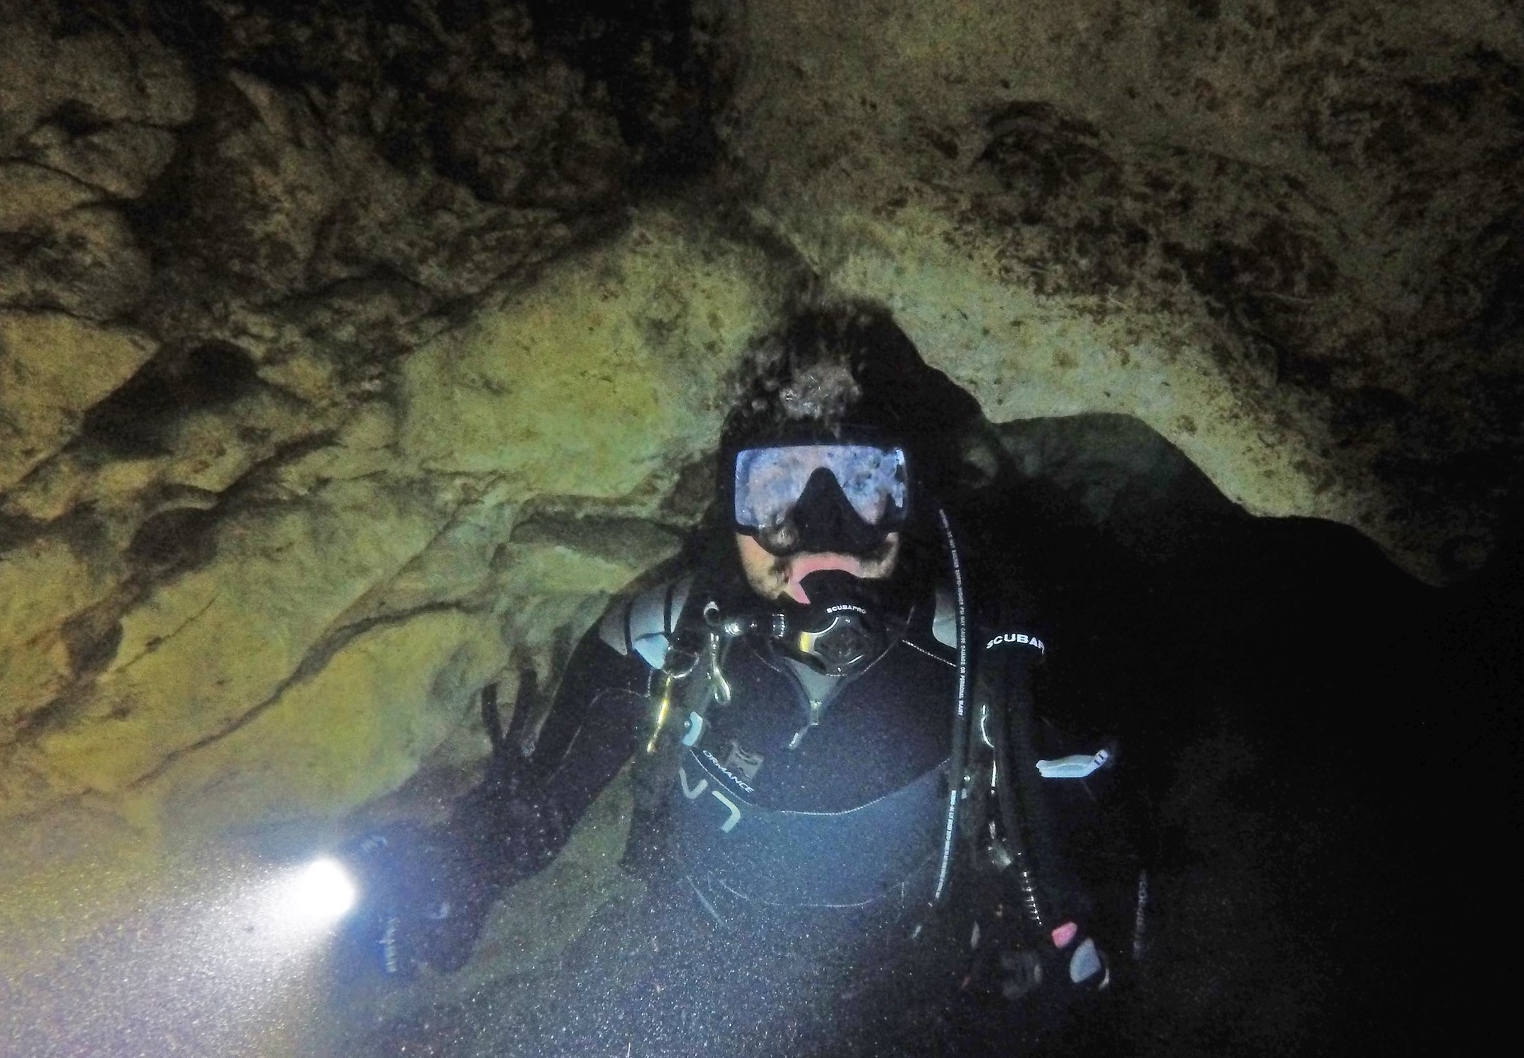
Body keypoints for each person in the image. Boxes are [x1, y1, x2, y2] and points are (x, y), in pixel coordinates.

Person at [347, 301, 1138, 1008]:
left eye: (864, 483)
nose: (824, 529)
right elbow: (543, 811)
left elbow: (1077, 801)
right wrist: (460, 874)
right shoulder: (669, 635)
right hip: (700, 966)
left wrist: (1069, 905)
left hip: (901, 982)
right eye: (779, 491)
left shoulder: (976, 658)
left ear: (911, 504)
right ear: (729, 508)